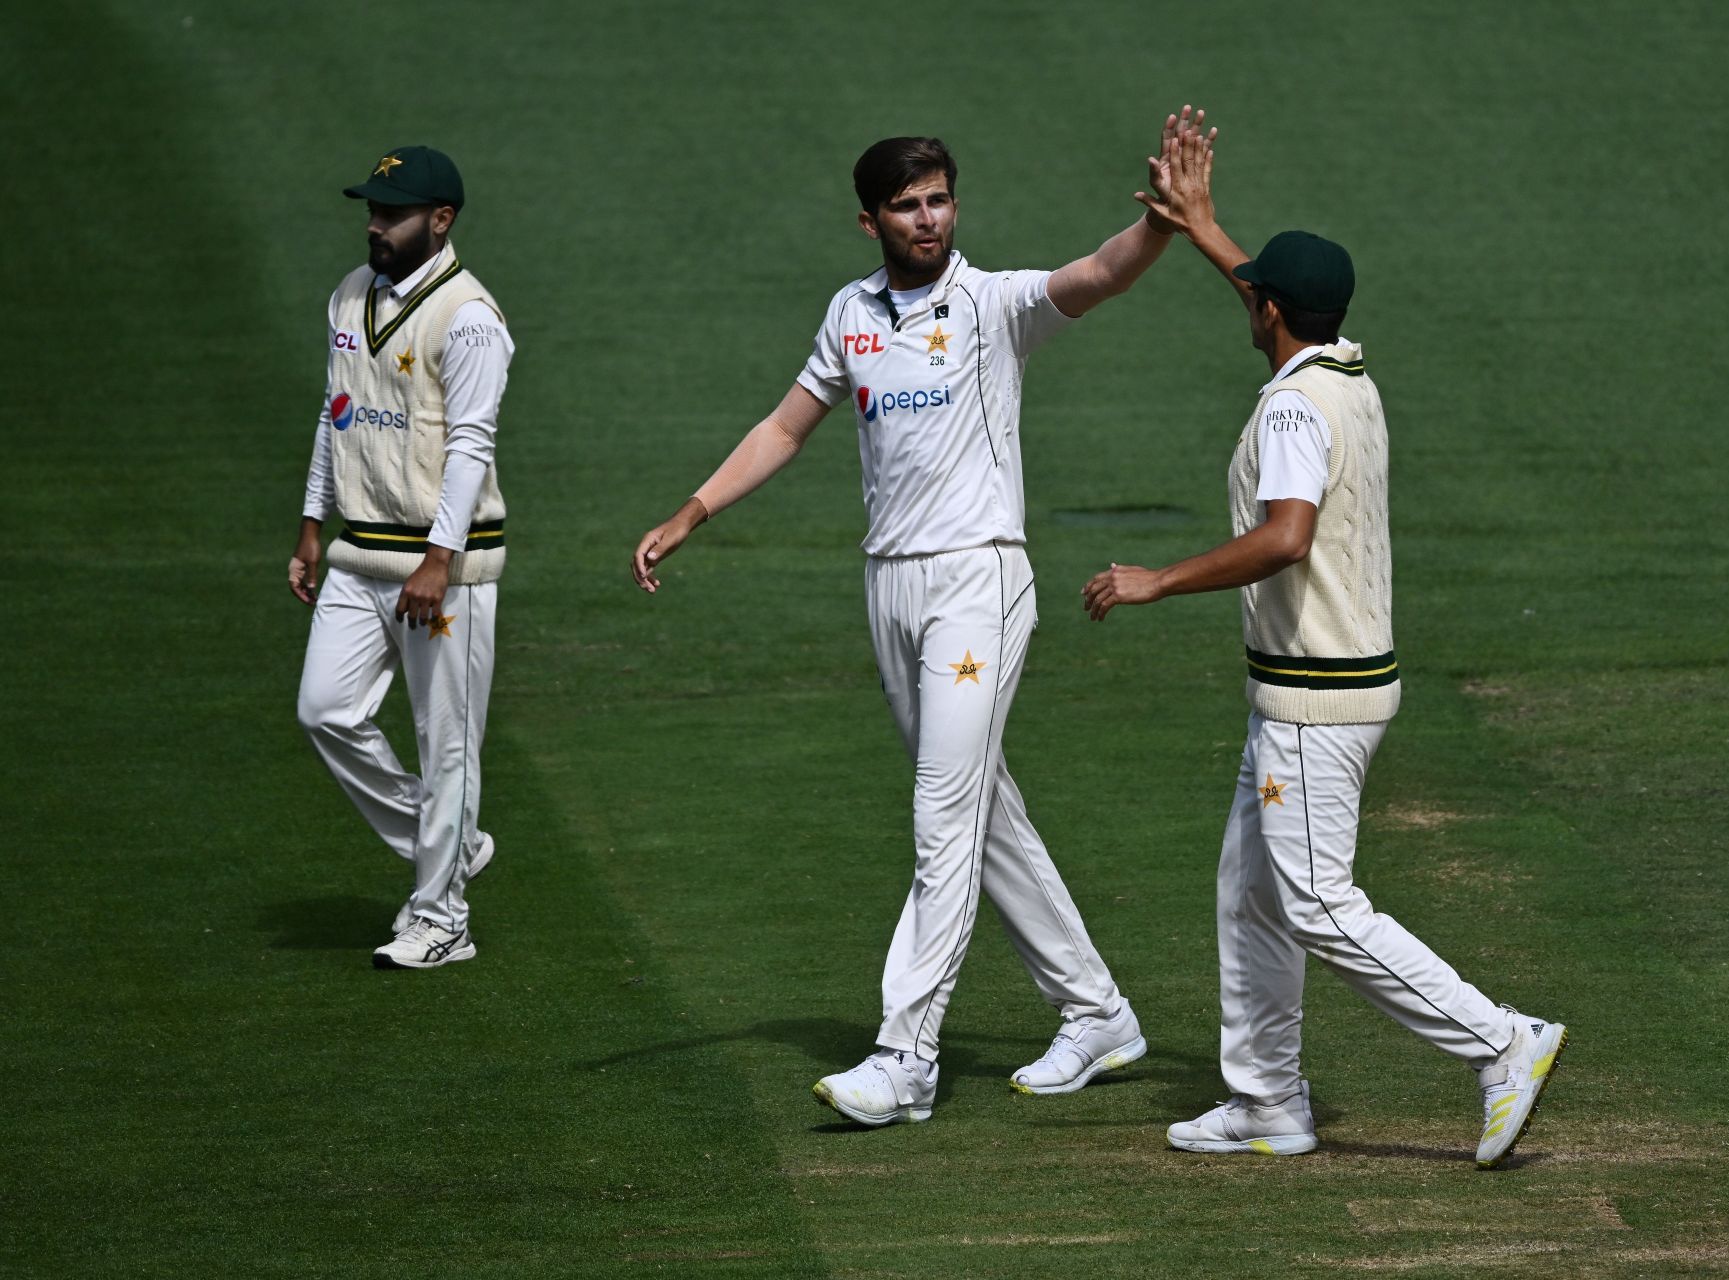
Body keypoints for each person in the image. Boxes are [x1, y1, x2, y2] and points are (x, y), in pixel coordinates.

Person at [631, 119, 1198, 1126]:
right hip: (889, 587)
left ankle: (906, 1057)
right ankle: (1096, 1010)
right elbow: (784, 425)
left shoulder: (991, 305)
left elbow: (1097, 275)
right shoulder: (850, 314)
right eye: (907, 204)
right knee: (980, 812)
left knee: (943, 815)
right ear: (870, 220)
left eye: (940, 197)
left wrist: (1156, 226)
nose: (928, 217)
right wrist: (692, 511)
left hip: (980, 583)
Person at [1083, 118, 1566, 1167]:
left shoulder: (1298, 409)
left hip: (1314, 700)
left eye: (1252, 291)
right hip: (1323, 686)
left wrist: (1158, 578)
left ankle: (1501, 1040)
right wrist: (1209, 229)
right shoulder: (1344, 368)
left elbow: (1285, 535)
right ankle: (1266, 1100)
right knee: (1252, 893)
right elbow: (1276, 307)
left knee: (1317, 903)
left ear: (1267, 313)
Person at [289, 145, 515, 971]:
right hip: (359, 549)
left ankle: (441, 919)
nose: (376, 226)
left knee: (446, 742)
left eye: (394, 214)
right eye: (373, 212)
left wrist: (438, 558)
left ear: (441, 220)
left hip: (443, 564)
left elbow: (470, 445)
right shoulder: (351, 293)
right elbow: (335, 410)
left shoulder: (471, 319)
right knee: (325, 711)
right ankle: (449, 840)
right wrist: (314, 521)